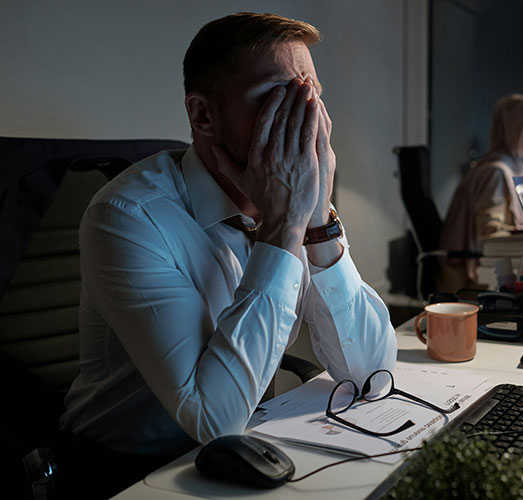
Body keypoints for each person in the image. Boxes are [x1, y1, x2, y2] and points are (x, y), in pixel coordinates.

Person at [57, 12, 397, 497]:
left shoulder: (299, 201)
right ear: (203, 116)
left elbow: (373, 374)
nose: (304, 117)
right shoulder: (127, 216)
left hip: (250, 452)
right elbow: (212, 419)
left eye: (312, 95)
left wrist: (317, 221)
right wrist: (284, 228)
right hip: (125, 473)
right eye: (277, 96)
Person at [438, 94, 523, 294]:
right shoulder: (496, 173)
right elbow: (491, 238)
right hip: (472, 282)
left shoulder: (514, 169)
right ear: (513, 132)